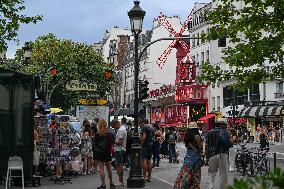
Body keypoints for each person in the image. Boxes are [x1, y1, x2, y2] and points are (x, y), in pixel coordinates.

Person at [206, 120, 237, 189]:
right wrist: (232, 142)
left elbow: (207, 145)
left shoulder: (209, 132)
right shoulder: (225, 132)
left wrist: (207, 156)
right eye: (225, 124)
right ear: (221, 125)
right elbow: (228, 143)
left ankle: (209, 187)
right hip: (222, 154)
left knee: (211, 173)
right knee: (223, 174)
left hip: (212, 155)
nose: (226, 126)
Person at [173, 122, 203, 188]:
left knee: (185, 175)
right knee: (195, 175)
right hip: (196, 158)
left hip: (188, 158)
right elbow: (200, 147)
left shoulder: (187, 137)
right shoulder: (197, 136)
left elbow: (187, 146)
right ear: (196, 129)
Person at [93, 119, 115, 189]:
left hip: (99, 153)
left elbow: (95, 144)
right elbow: (112, 142)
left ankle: (103, 184)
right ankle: (111, 183)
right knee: (109, 169)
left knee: (101, 169)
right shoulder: (109, 133)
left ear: (99, 126)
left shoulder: (97, 134)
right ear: (106, 125)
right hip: (107, 152)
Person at [111, 118, 127, 187]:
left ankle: (121, 182)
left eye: (114, 126)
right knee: (119, 165)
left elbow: (120, 142)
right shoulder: (122, 128)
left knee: (119, 166)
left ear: (116, 124)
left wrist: (112, 141)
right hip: (121, 149)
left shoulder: (120, 130)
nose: (114, 128)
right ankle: (121, 181)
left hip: (119, 150)